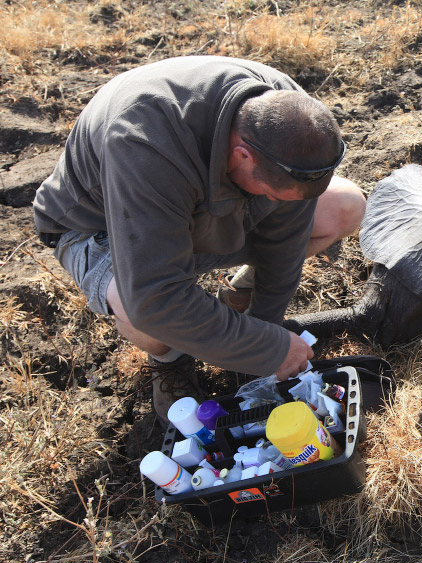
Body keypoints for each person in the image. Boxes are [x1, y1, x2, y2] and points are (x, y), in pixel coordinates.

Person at [32, 56, 365, 421]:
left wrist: (266, 329)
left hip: (200, 210)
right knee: (144, 314)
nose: (275, 203)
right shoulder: (144, 140)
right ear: (242, 155)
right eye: (270, 193)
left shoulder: (291, 113)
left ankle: (238, 299)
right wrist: (268, 348)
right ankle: (170, 360)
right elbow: (154, 298)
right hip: (104, 229)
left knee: (344, 206)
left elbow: (287, 235)